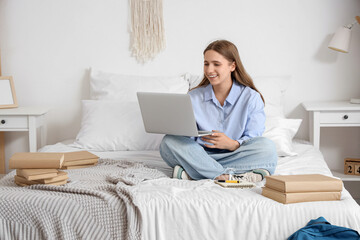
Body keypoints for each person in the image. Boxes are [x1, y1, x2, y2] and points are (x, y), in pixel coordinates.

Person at [159, 40, 277, 182]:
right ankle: (223, 176)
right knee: (168, 142)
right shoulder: (193, 97)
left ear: (232, 66)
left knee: (267, 147)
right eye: (206, 63)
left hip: (236, 154)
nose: (209, 70)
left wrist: (232, 144)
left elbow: (254, 136)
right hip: (200, 155)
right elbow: (186, 139)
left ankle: (194, 173)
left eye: (216, 64)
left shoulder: (251, 98)